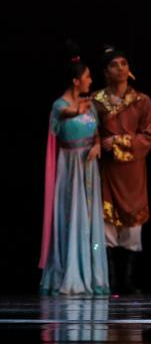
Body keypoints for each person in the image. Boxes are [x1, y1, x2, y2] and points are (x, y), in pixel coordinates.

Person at [39, 42, 110, 295]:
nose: (91, 80)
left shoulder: (88, 104)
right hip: (70, 170)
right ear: (75, 81)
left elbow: (97, 132)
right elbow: (64, 115)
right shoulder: (59, 106)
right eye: (87, 77)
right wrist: (75, 110)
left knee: (90, 223)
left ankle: (92, 274)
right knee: (73, 219)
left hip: (89, 169)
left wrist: (97, 145)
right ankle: (70, 272)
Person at [94, 44, 151, 294]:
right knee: (106, 225)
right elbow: (89, 132)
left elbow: (148, 136)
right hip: (107, 170)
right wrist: (99, 143)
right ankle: (108, 280)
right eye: (114, 65)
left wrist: (118, 141)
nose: (120, 68)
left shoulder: (142, 101)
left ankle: (127, 280)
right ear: (105, 72)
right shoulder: (95, 101)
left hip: (132, 172)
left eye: (124, 64)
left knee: (132, 228)